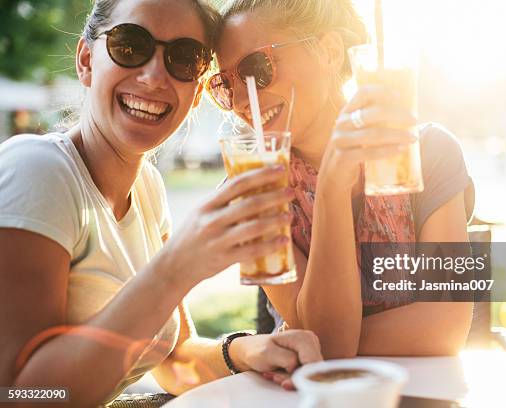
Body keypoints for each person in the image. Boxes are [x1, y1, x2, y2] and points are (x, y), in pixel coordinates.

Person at [0, 0, 322, 406]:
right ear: (86, 60)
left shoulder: (148, 187)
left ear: (196, 88)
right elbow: (17, 394)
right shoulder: (39, 170)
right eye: (130, 46)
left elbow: (172, 360)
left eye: (184, 58)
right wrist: (176, 270)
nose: (154, 77)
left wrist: (249, 351)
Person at [208, 0, 475, 361]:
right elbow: (329, 344)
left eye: (256, 68)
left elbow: (446, 327)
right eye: (225, 83)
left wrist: (312, 340)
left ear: (330, 51)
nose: (241, 99)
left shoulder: (426, 152)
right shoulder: (254, 187)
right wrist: (332, 184)